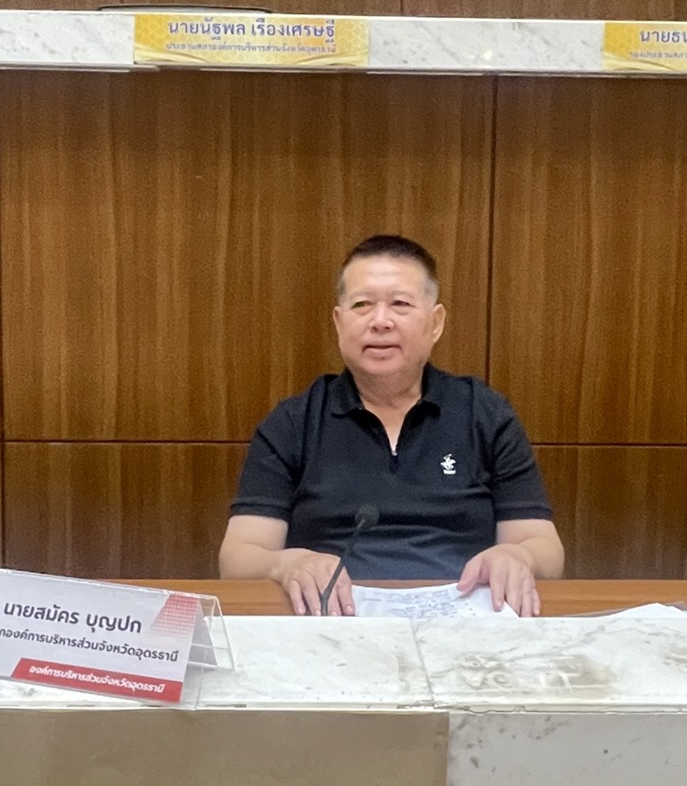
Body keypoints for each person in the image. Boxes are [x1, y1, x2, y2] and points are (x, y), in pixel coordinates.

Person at [220, 235, 563, 616]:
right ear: (339, 322)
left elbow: (543, 546)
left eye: (400, 304)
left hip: (463, 618)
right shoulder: (294, 421)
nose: (380, 321)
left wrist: (517, 556)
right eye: (362, 305)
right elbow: (238, 555)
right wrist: (286, 563)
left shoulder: (484, 414)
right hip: (333, 619)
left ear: (435, 323)